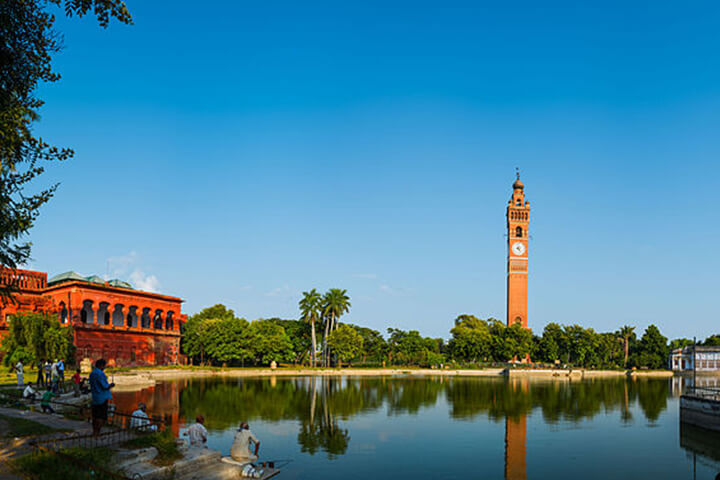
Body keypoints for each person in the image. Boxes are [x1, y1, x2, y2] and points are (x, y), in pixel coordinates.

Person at [89, 359, 115, 436]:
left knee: (95, 416)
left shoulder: (92, 373)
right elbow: (104, 386)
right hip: (102, 398)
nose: (104, 368)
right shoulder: (100, 373)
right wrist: (111, 385)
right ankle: (98, 433)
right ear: (101, 365)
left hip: (95, 397)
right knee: (101, 417)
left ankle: (94, 432)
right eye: (104, 366)